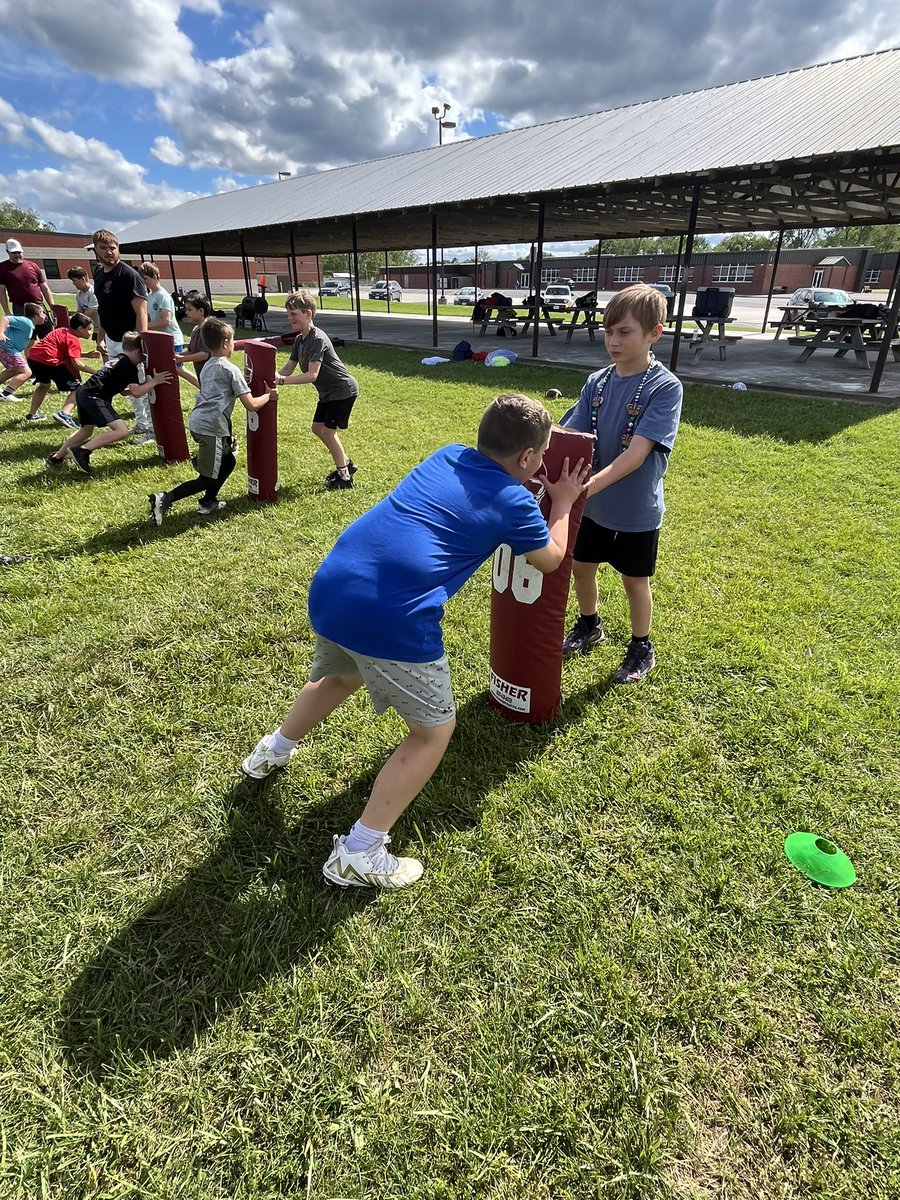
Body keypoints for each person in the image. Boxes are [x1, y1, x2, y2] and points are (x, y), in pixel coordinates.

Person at [240, 393, 591, 890]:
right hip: (392, 616)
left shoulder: (447, 453)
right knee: (432, 732)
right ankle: (360, 852)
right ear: (530, 459)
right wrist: (561, 502)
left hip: (336, 583)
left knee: (340, 676)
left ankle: (270, 752)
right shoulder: (514, 499)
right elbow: (552, 559)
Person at [559, 284, 683, 684]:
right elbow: (570, 433)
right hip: (592, 506)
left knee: (634, 580)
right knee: (581, 566)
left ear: (654, 334)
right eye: (608, 331)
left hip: (634, 510)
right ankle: (589, 624)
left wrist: (585, 488)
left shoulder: (665, 388)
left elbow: (637, 454)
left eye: (624, 332)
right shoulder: (597, 382)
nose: (612, 341)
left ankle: (640, 646)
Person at [148, 317, 273, 524]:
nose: (233, 345)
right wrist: (270, 396)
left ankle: (208, 501)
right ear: (226, 344)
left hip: (200, 423)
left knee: (228, 461)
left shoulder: (208, 365)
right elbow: (251, 404)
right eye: (232, 341)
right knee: (206, 477)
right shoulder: (230, 369)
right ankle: (165, 498)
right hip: (211, 427)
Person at [44, 332, 170, 475]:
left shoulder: (119, 359)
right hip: (94, 396)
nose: (142, 360)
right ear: (136, 351)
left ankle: (57, 457)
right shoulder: (129, 365)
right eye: (143, 355)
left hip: (84, 392)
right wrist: (155, 381)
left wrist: (146, 387)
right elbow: (136, 392)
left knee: (85, 431)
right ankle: (82, 451)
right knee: (121, 431)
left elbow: (125, 391)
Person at [274, 289, 359, 489]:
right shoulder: (299, 340)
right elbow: (288, 367)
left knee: (329, 432)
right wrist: (274, 377)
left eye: (294, 314)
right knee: (317, 428)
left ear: (308, 314)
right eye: (288, 314)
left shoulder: (317, 338)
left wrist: (283, 381)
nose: (290, 318)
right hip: (328, 393)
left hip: (343, 390)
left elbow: (312, 375)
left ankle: (345, 478)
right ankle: (346, 463)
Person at [91, 229, 150, 442]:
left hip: (130, 343)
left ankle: (152, 429)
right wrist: (100, 338)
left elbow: (141, 312)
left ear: (119, 249)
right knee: (128, 386)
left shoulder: (128, 276)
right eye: (103, 248)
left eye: (112, 248)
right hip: (112, 340)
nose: (109, 252)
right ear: (96, 250)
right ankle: (141, 424)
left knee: (141, 384)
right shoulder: (99, 274)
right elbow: (103, 310)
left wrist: (139, 344)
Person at [23, 314, 100, 424]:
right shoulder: (74, 340)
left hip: (34, 358)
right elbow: (77, 364)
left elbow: (60, 349)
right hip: (49, 362)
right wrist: (95, 372)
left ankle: (32, 414)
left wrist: (86, 355)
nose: (91, 332)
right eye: (89, 329)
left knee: (44, 385)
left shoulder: (61, 330)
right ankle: (65, 414)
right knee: (78, 389)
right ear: (80, 329)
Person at [0, 239, 55, 338]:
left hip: (38, 305)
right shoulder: (2, 268)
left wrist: (52, 306)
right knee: (28, 339)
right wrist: (7, 311)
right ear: (8, 252)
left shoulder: (32, 265)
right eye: (14, 253)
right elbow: (1, 291)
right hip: (20, 308)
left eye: (19, 252)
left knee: (48, 336)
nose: (17, 255)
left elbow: (44, 287)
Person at [138, 262, 185, 352]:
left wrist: (144, 326)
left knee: (176, 366)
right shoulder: (149, 296)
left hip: (172, 341)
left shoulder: (163, 296)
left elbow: (165, 321)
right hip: (160, 339)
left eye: (145, 278)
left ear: (155, 276)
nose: (144, 282)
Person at [0, 302, 43, 398]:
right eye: (42, 313)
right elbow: (5, 318)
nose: (44, 316)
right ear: (36, 316)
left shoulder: (30, 325)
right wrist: (1, 332)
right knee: (26, 372)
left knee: (13, 370)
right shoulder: (26, 322)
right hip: (8, 349)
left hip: (7, 349)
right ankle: (5, 395)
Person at [173, 291, 212, 388]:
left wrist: (181, 358)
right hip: (202, 375)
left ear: (201, 311)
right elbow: (191, 351)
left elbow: (204, 355)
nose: (186, 313)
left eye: (189, 310)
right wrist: (175, 356)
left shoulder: (209, 329)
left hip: (212, 376)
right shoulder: (196, 329)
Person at [66, 266, 100, 342]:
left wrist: (74, 319)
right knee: (99, 347)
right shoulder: (79, 294)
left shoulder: (93, 292)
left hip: (105, 327)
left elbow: (92, 311)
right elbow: (79, 312)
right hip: (96, 327)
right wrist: (72, 317)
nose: (73, 283)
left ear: (82, 279)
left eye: (74, 280)